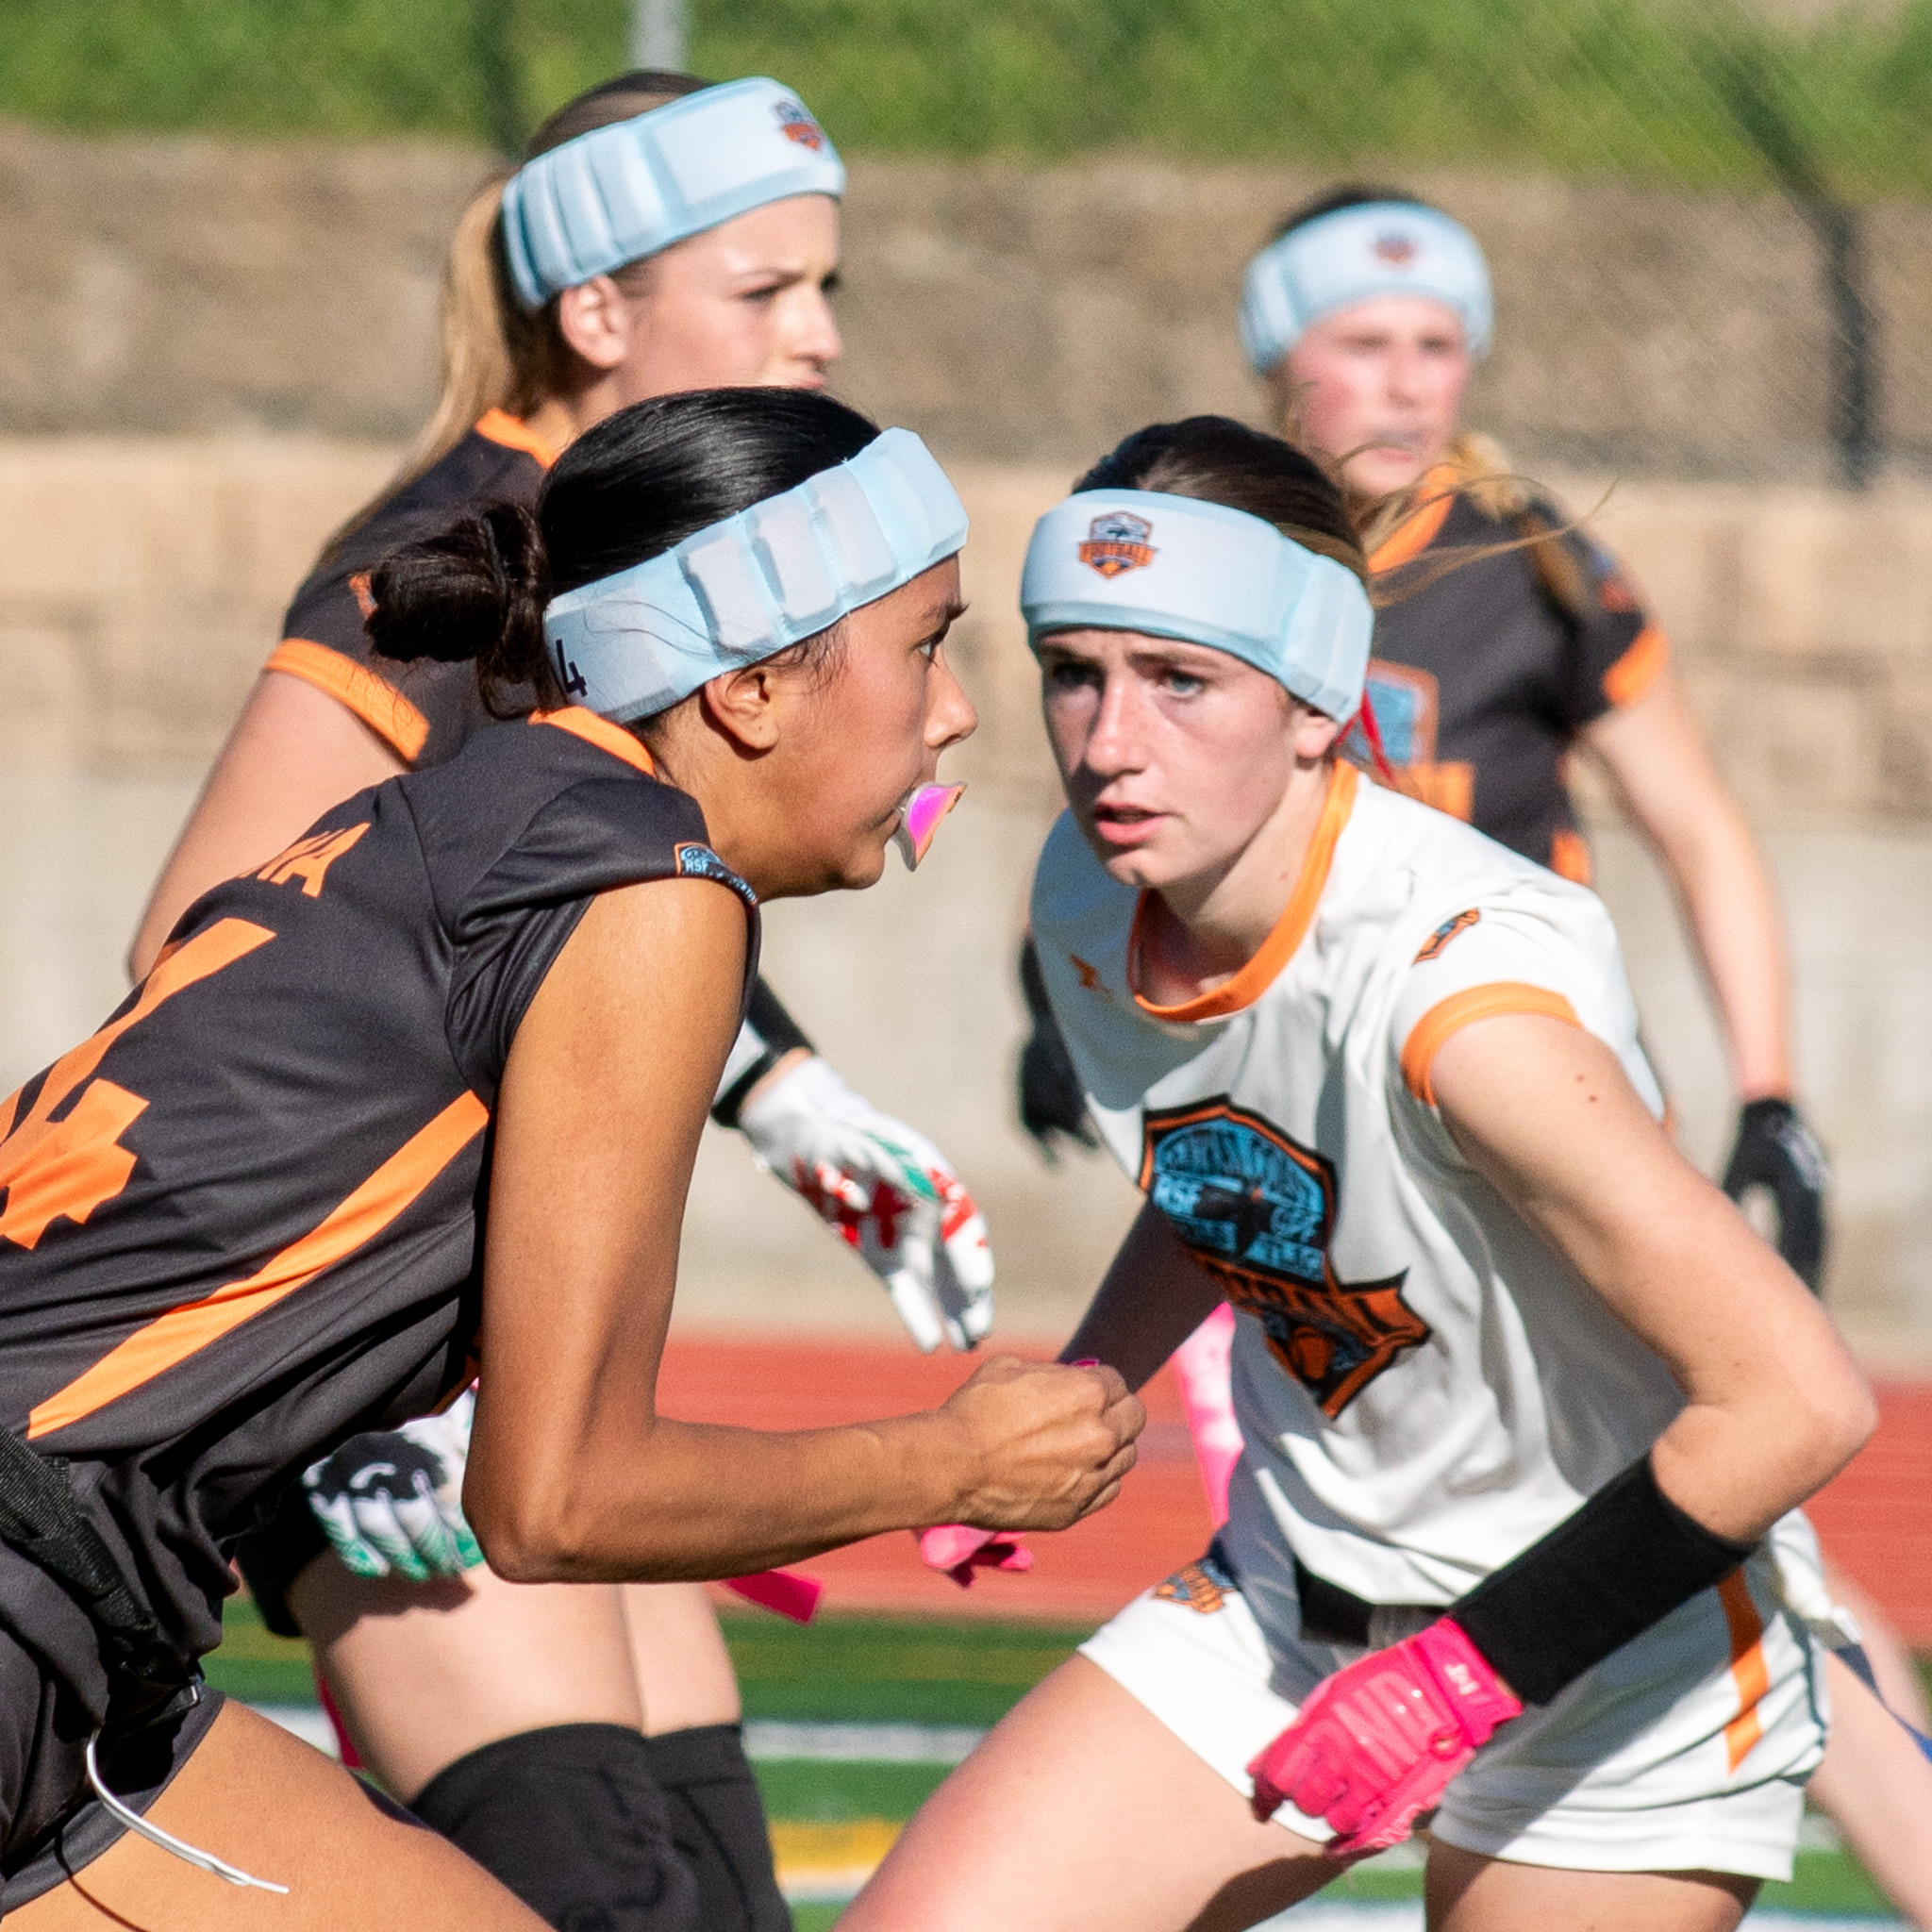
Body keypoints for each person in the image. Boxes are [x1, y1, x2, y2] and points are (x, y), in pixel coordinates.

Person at [0, 385, 1144, 1929]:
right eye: (927, 646)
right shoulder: (651, 887)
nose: (955, 715)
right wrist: (951, 1461)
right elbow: (560, 1500)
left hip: (76, 1635)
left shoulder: (485, 813)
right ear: (752, 687)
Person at [126, 71, 992, 1932]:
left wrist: (777, 1094)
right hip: (364, 1388)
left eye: (824, 287)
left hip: (501, 1378)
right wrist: (368, 1386)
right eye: (764, 290)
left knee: (711, 1893)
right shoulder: (462, 545)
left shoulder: (645, 553)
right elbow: (207, 937)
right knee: (603, 1893)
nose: (818, 334)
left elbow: (530, 915)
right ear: (597, 311)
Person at [843, 415, 1874, 1932]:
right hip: (1287, 1607)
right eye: (1076, 671)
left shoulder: (1467, 1006)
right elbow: (1240, 1170)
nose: (1109, 742)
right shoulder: (1090, 890)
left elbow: (1799, 1401)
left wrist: (1456, 1684)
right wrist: (1088, 1390)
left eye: (1179, 679)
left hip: (1606, 1669)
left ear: (1319, 697)